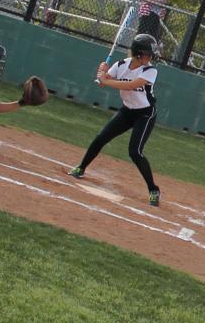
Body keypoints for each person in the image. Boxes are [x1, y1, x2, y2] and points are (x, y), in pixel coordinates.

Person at [68, 33, 162, 207]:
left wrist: (106, 80)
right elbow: (103, 82)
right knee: (101, 138)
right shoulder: (121, 65)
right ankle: (81, 168)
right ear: (138, 53)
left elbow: (130, 85)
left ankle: (153, 190)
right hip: (127, 111)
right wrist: (102, 72)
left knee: (135, 152)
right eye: (148, 54)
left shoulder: (150, 71)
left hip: (145, 114)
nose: (150, 57)